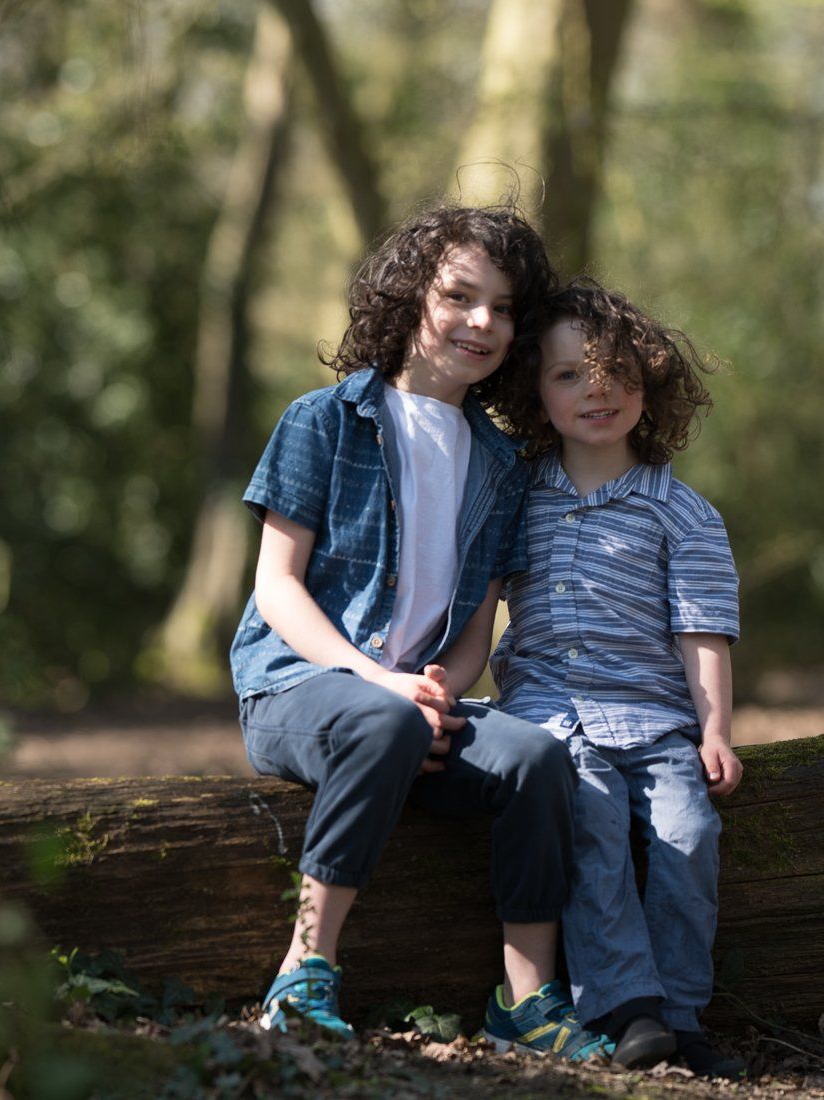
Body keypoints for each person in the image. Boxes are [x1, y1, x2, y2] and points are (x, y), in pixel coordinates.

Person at [232, 205, 610, 1061]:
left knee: (538, 758)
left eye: (505, 308)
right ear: (408, 297)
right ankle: (303, 973)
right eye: (460, 296)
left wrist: (439, 688)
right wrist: (378, 682)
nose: (482, 322)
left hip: (417, 708)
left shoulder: (503, 463)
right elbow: (276, 588)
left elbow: (477, 626)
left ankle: (526, 1000)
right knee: (385, 720)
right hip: (298, 688)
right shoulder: (323, 420)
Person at [491, 279, 747, 1078]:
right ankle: (622, 1007)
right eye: (568, 375)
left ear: (652, 385)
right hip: (551, 716)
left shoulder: (684, 513)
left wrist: (714, 732)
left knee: (689, 835)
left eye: (615, 374)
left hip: (654, 718)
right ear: (536, 391)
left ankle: (680, 1012)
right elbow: (474, 600)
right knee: (593, 825)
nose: (594, 391)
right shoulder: (513, 494)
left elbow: (701, 635)